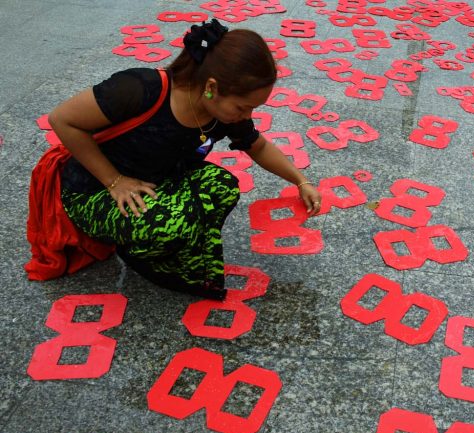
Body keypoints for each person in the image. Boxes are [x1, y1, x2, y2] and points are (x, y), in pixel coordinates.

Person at [45, 20, 321, 300]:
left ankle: (169, 246)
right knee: (170, 226)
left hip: (155, 181)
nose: (247, 115)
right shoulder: (142, 88)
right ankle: (137, 251)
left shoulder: (220, 112)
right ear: (211, 86)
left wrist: (301, 181)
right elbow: (63, 120)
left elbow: (258, 146)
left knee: (222, 186)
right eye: (243, 106)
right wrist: (114, 181)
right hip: (96, 190)